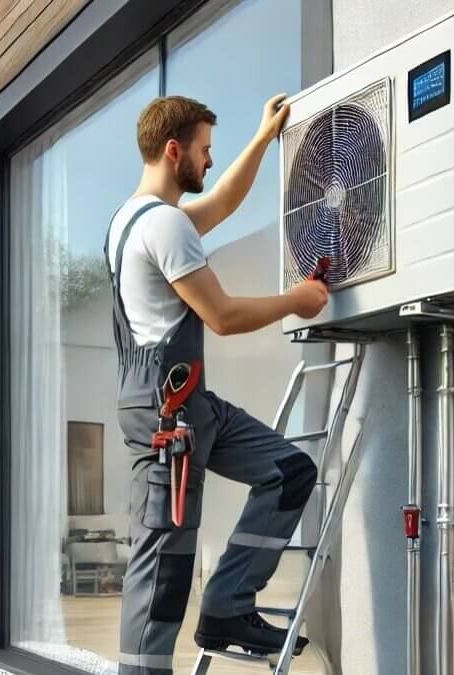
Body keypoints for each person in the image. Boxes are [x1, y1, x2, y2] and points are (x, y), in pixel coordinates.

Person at [104, 94, 329, 675]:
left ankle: (229, 605)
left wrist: (262, 136)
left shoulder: (134, 221)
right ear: (173, 150)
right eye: (204, 150)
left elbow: (225, 199)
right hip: (168, 414)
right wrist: (297, 302)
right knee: (165, 560)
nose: (209, 161)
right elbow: (222, 316)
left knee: (289, 471)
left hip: (185, 403)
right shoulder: (163, 225)